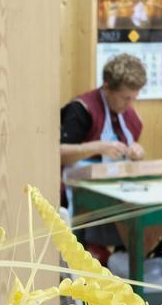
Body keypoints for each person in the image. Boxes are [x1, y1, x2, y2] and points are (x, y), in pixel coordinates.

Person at [59, 54, 146, 248]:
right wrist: (98, 147)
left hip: (115, 194)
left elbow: (131, 157)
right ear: (107, 87)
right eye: (125, 98)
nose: (129, 104)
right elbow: (58, 153)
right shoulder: (81, 110)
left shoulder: (130, 116)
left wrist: (137, 153)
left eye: (133, 98)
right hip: (77, 197)